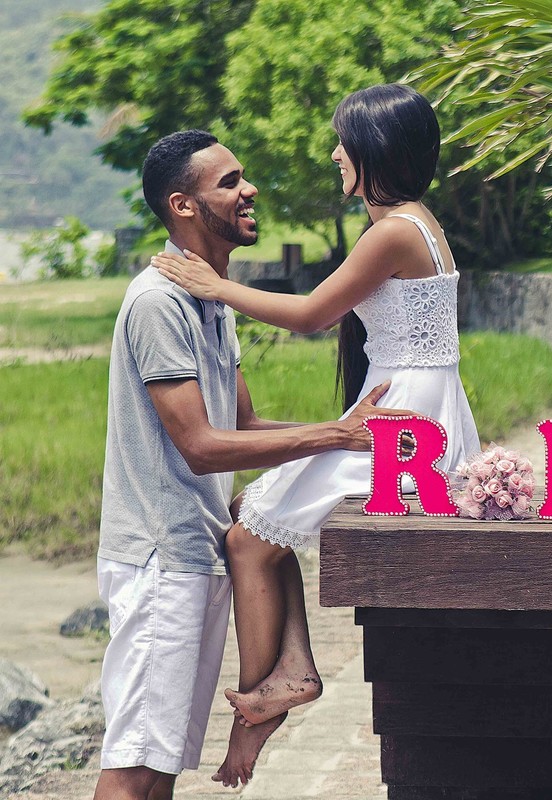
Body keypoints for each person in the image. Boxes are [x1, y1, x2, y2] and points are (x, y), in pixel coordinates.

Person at [151, 84, 481, 787]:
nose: (335, 154)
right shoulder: (409, 222)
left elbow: (310, 315)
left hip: (404, 415)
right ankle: (292, 673)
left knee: (246, 537)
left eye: (343, 142)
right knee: (255, 521)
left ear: (373, 152)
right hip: (413, 402)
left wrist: (213, 286)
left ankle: (261, 707)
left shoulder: (394, 230)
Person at [94, 130, 415, 800]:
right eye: (229, 181)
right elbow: (202, 444)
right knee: (133, 773)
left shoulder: (211, 299)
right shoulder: (158, 303)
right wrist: (333, 434)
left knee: (157, 771)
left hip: (193, 553)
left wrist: (353, 437)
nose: (250, 190)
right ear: (182, 206)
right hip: (161, 559)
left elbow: (242, 427)